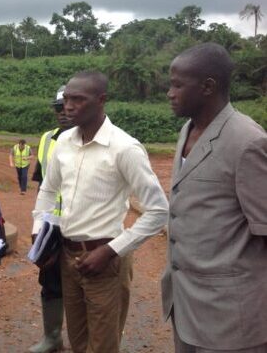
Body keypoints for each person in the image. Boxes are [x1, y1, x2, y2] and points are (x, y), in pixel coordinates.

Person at [32, 71, 169, 352]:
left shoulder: (124, 148)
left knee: (103, 344)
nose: (68, 106)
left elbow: (158, 210)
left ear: (101, 100)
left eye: (78, 100)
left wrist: (110, 251)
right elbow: (47, 190)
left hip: (106, 261)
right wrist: (40, 233)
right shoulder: (63, 143)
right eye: (66, 99)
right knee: (79, 341)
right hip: (68, 258)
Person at [162, 43, 267, 352]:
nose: (170, 92)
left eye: (178, 85)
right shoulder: (188, 130)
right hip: (185, 305)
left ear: (208, 86)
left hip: (232, 320)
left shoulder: (247, 142)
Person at [28, 85, 73, 353]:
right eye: (58, 108)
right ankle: (52, 337)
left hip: (83, 228)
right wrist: (39, 227)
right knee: (50, 282)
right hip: (51, 229)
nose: (63, 112)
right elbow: (42, 185)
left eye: (68, 106)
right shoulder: (47, 139)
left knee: (87, 287)